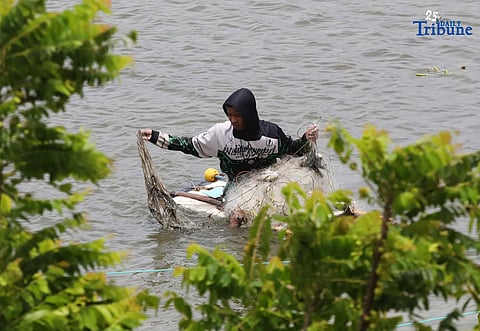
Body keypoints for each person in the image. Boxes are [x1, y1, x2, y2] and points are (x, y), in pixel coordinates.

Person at [141, 87, 318, 184]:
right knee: (237, 218)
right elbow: (190, 146)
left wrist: (306, 138)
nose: (232, 120)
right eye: (229, 115)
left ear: (248, 114)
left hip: (269, 182)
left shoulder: (271, 134)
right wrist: (156, 137)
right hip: (237, 187)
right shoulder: (220, 135)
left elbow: (294, 151)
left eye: (237, 115)